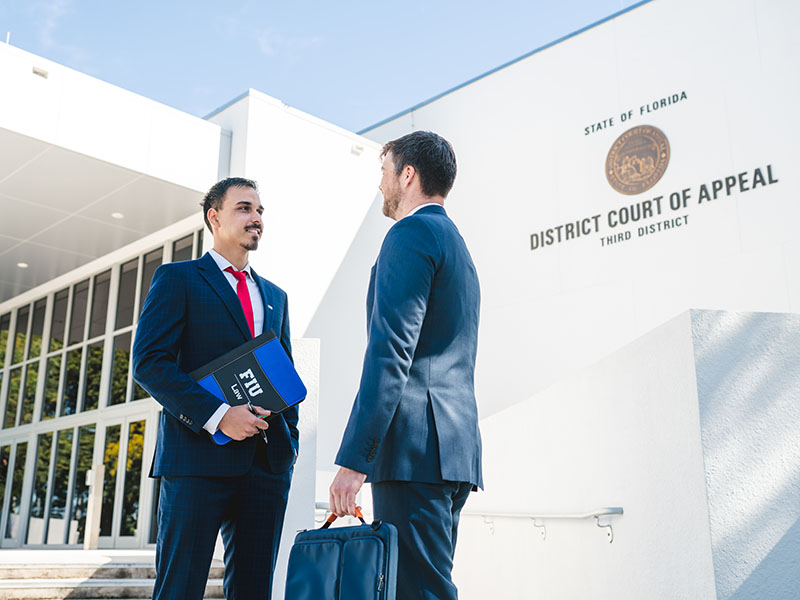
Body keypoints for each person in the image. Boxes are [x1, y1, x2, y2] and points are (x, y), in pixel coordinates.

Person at [330, 131, 482, 599]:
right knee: (424, 586)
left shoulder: (410, 234)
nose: (381, 185)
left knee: (419, 592)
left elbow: (390, 353)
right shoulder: (456, 243)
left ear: (408, 174)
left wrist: (355, 461)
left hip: (415, 453)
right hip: (452, 451)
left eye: (384, 172)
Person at [132, 177, 298, 600]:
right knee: (180, 589)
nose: (256, 218)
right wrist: (220, 415)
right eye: (244, 208)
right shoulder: (177, 279)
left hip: (265, 468)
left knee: (253, 592)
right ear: (214, 217)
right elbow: (150, 364)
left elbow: (284, 375)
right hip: (195, 463)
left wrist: (288, 445)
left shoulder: (276, 296)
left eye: (260, 211)